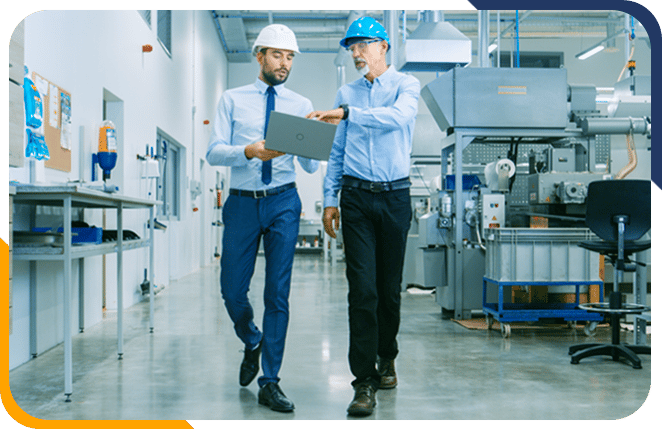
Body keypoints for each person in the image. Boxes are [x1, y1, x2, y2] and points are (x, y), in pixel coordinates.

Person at [307, 16, 420, 417]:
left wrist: (349, 114)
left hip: (395, 197)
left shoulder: (406, 86)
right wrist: (329, 198)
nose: (355, 53)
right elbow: (337, 151)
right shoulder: (346, 93)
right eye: (351, 47)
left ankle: (387, 356)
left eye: (362, 45)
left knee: (389, 291)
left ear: (383, 47)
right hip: (355, 197)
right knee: (363, 291)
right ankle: (364, 381)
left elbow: (399, 119)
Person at [206, 23, 319, 413]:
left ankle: (270, 381)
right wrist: (249, 152)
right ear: (259, 56)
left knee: (277, 293)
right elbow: (214, 152)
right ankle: (251, 338)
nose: (284, 63)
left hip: (284, 201)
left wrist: (319, 137)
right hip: (241, 202)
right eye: (277, 55)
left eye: (289, 57)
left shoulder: (301, 103)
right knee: (232, 291)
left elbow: (307, 166)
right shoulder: (232, 100)